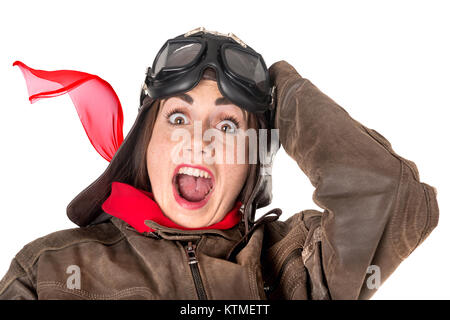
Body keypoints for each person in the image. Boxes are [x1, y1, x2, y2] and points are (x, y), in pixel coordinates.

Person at [0, 28, 439, 300]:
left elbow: (391, 197)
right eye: (177, 117)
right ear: (145, 143)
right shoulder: (50, 272)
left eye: (228, 126)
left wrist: (280, 95)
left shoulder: (298, 268)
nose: (199, 139)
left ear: (252, 159)